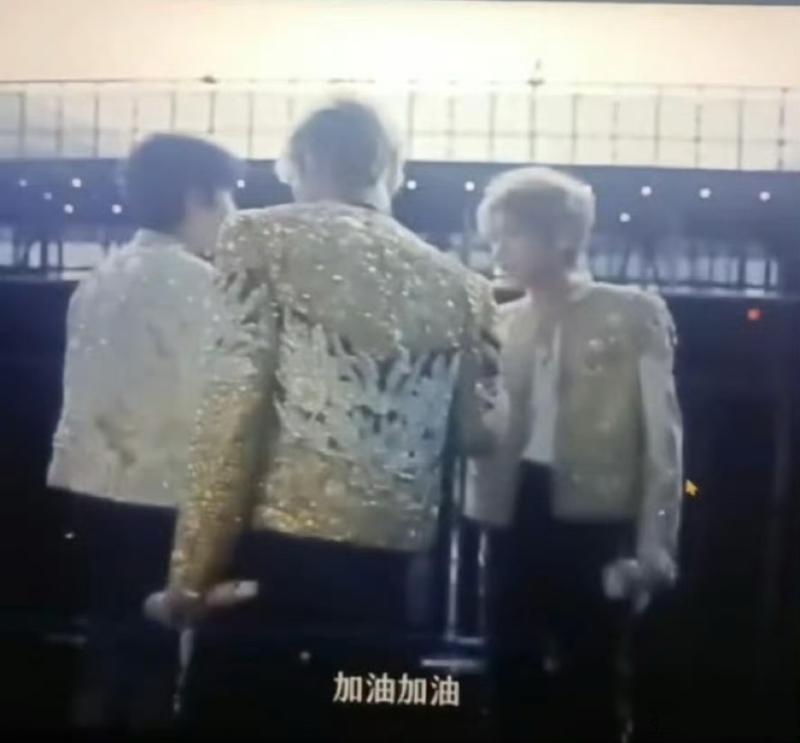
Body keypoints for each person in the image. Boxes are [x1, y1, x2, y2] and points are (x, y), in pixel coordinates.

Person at [145, 99, 506, 736]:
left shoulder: (260, 239)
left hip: (270, 570)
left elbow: (232, 414)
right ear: (389, 168)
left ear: (306, 160)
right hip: (392, 582)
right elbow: (478, 433)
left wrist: (191, 579)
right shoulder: (463, 286)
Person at [464, 166, 683, 741]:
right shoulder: (499, 322)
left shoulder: (632, 314)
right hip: (509, 512)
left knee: (594, 679)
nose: (498, 251)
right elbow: (478, 427)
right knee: (507, 675)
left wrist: (653, 548)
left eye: (511, 235)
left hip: (596, 519)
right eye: (494, 238)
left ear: (561, 235)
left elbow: (662, 442)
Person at [47, 133, 240, 730]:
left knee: (107, 647)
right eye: (225, 198)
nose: (231, 214)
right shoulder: (200, 286)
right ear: (196, 197)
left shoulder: (99, 279)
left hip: (90, 487)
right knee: (160, 658)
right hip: (161, 494)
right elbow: (215, 400)